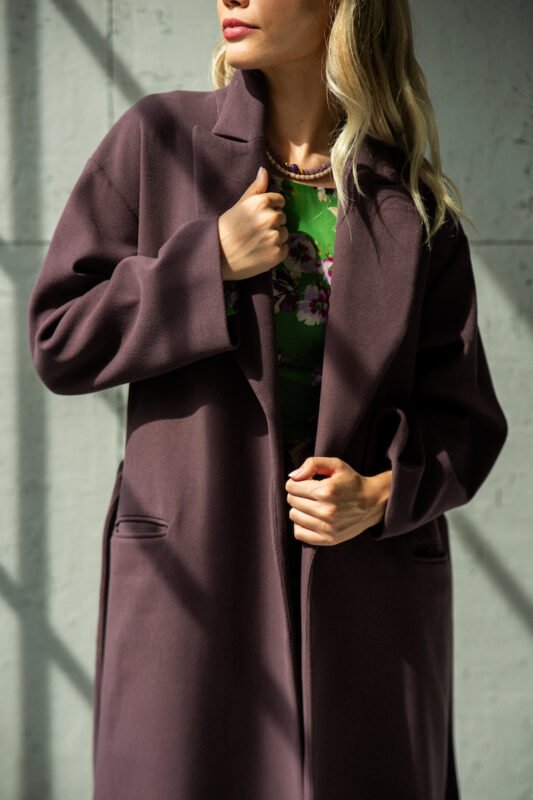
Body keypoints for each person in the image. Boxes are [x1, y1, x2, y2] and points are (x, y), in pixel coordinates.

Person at [27, 1, 508, 798]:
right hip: (195, 567)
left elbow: (464, 420)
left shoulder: (412, 206)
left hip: (363, 591)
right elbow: (60, 338)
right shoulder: (158, 143)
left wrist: (382, 494)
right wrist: (206, 261)